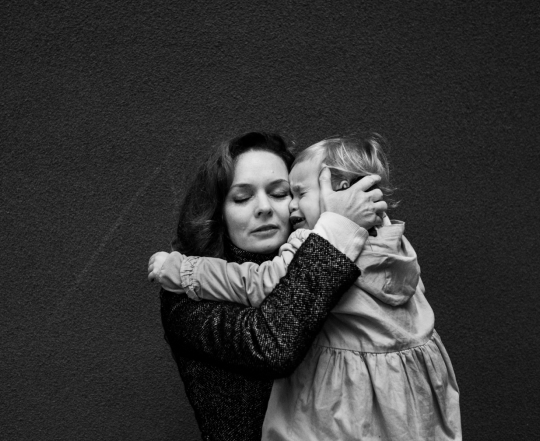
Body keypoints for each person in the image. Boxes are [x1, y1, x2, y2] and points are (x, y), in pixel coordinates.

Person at [152, 134, 462, 440]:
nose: (264, 208)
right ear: (217, 212)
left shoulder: (340, 256)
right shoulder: (184, 298)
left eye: (280, 192)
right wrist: (336, 229)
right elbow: (273, 342)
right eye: (242, 197)